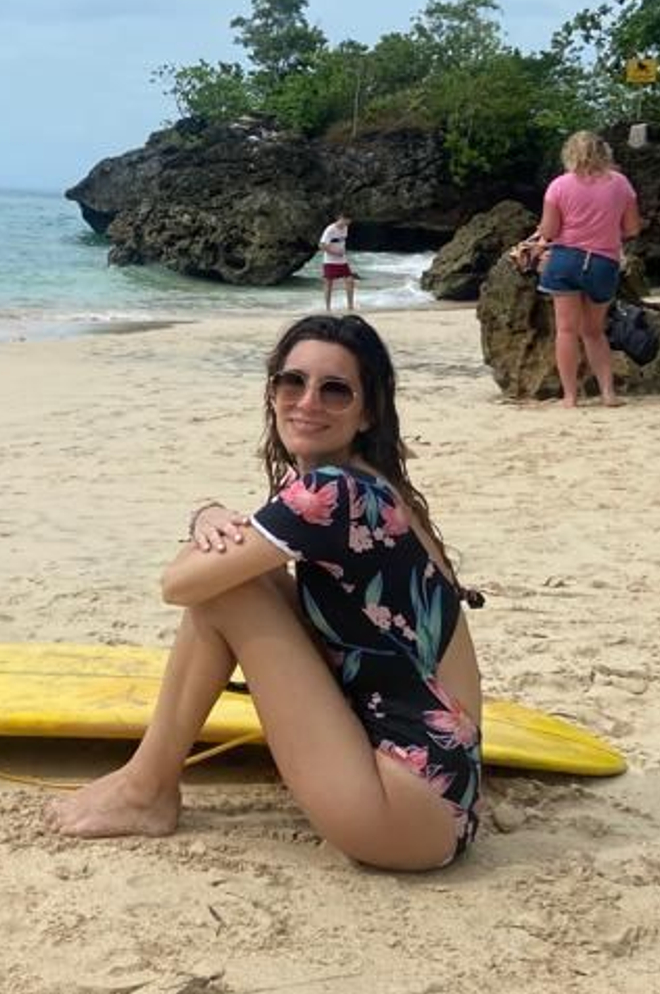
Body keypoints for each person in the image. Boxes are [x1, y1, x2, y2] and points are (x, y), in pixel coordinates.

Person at [51, 314, 484, 870]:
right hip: (445, 794)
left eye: (335, 390)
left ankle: (146, 789)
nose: (308, 402)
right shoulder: (372, 482)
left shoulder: (331, 493)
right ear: (273, 391)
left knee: (225, 592)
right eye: (292, 382)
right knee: (247, 577)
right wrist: (207, 514)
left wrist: (204, 520)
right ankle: (148, 783)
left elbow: (178, 585)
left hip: (402, 810)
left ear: (366, 411)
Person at [537, 131, 641, 409]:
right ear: (603, 152)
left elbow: (549, 231)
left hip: (565, 260)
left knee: (566, 330)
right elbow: (632, 228)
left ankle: (570, 397)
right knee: (594, 332)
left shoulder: (559, 186)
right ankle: (608, 393)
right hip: (603, 262)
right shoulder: (620, 184)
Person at [319, 213, 357, 312]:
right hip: (330, 261)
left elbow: (341, 242)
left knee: (350, 281)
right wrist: (335, 252)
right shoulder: (330, 229)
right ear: (340, 218)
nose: (348, 223)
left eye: (349, 221)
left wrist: (342, 251)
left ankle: (350, 306)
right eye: (346, 220)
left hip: (342, 260)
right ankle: (328, 308)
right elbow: (322, 245)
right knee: (328, 284)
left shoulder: (345, 228)